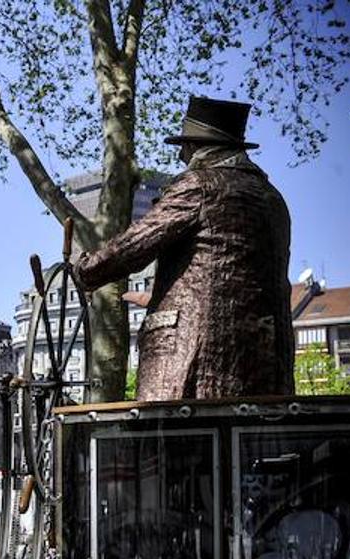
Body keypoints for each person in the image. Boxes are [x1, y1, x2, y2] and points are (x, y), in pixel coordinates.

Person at [77, 95, 293, 401]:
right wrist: (163, 295)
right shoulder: (272, 198)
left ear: (195, 147)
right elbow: (229, 274)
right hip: (265, 366)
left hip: (194, 360)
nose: (180, 156)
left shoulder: (200, 186)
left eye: (184, 147)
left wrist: (86, 271)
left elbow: (137, 243)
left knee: (177, 432)